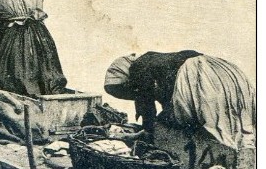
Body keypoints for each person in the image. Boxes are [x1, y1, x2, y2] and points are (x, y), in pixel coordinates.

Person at [104, 51, 256, 154]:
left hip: (199, 77)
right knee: (233, 124)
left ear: (124, 72)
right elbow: (167, 102)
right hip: (224, 73)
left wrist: (148, 130)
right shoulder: (158, 64)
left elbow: (146, 104)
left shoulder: (139, 66)